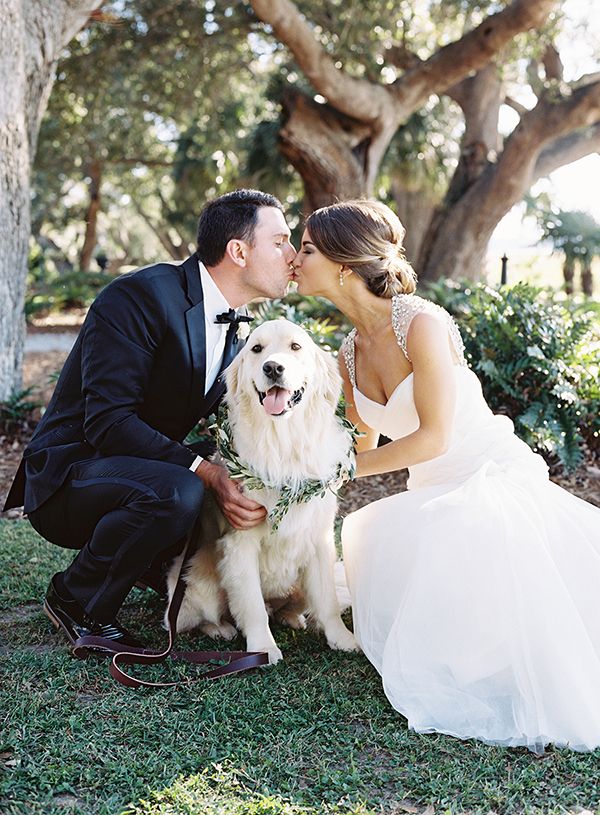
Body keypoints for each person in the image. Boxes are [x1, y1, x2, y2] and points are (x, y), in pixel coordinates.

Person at [290, 199, 600, 753]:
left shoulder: (421, 323)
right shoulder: (347, 352)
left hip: (487, 476)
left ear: (342, 264)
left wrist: (335, 468)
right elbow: (359, 444)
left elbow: (432, 438)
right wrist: (297, 466)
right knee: (368, 537)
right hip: (428, 492)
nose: (294, 256)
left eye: (306, 248)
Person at [3, 189, 296, 649]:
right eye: (280, 241)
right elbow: (107, 423)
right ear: (238, 251)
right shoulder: (139, 296)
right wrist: (205, 472)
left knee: (221, 473)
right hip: (69, 477)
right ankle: (75, 598)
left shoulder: (238, 326)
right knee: (180, 487)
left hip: (133, 467)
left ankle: (159, 567)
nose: (292, 255)